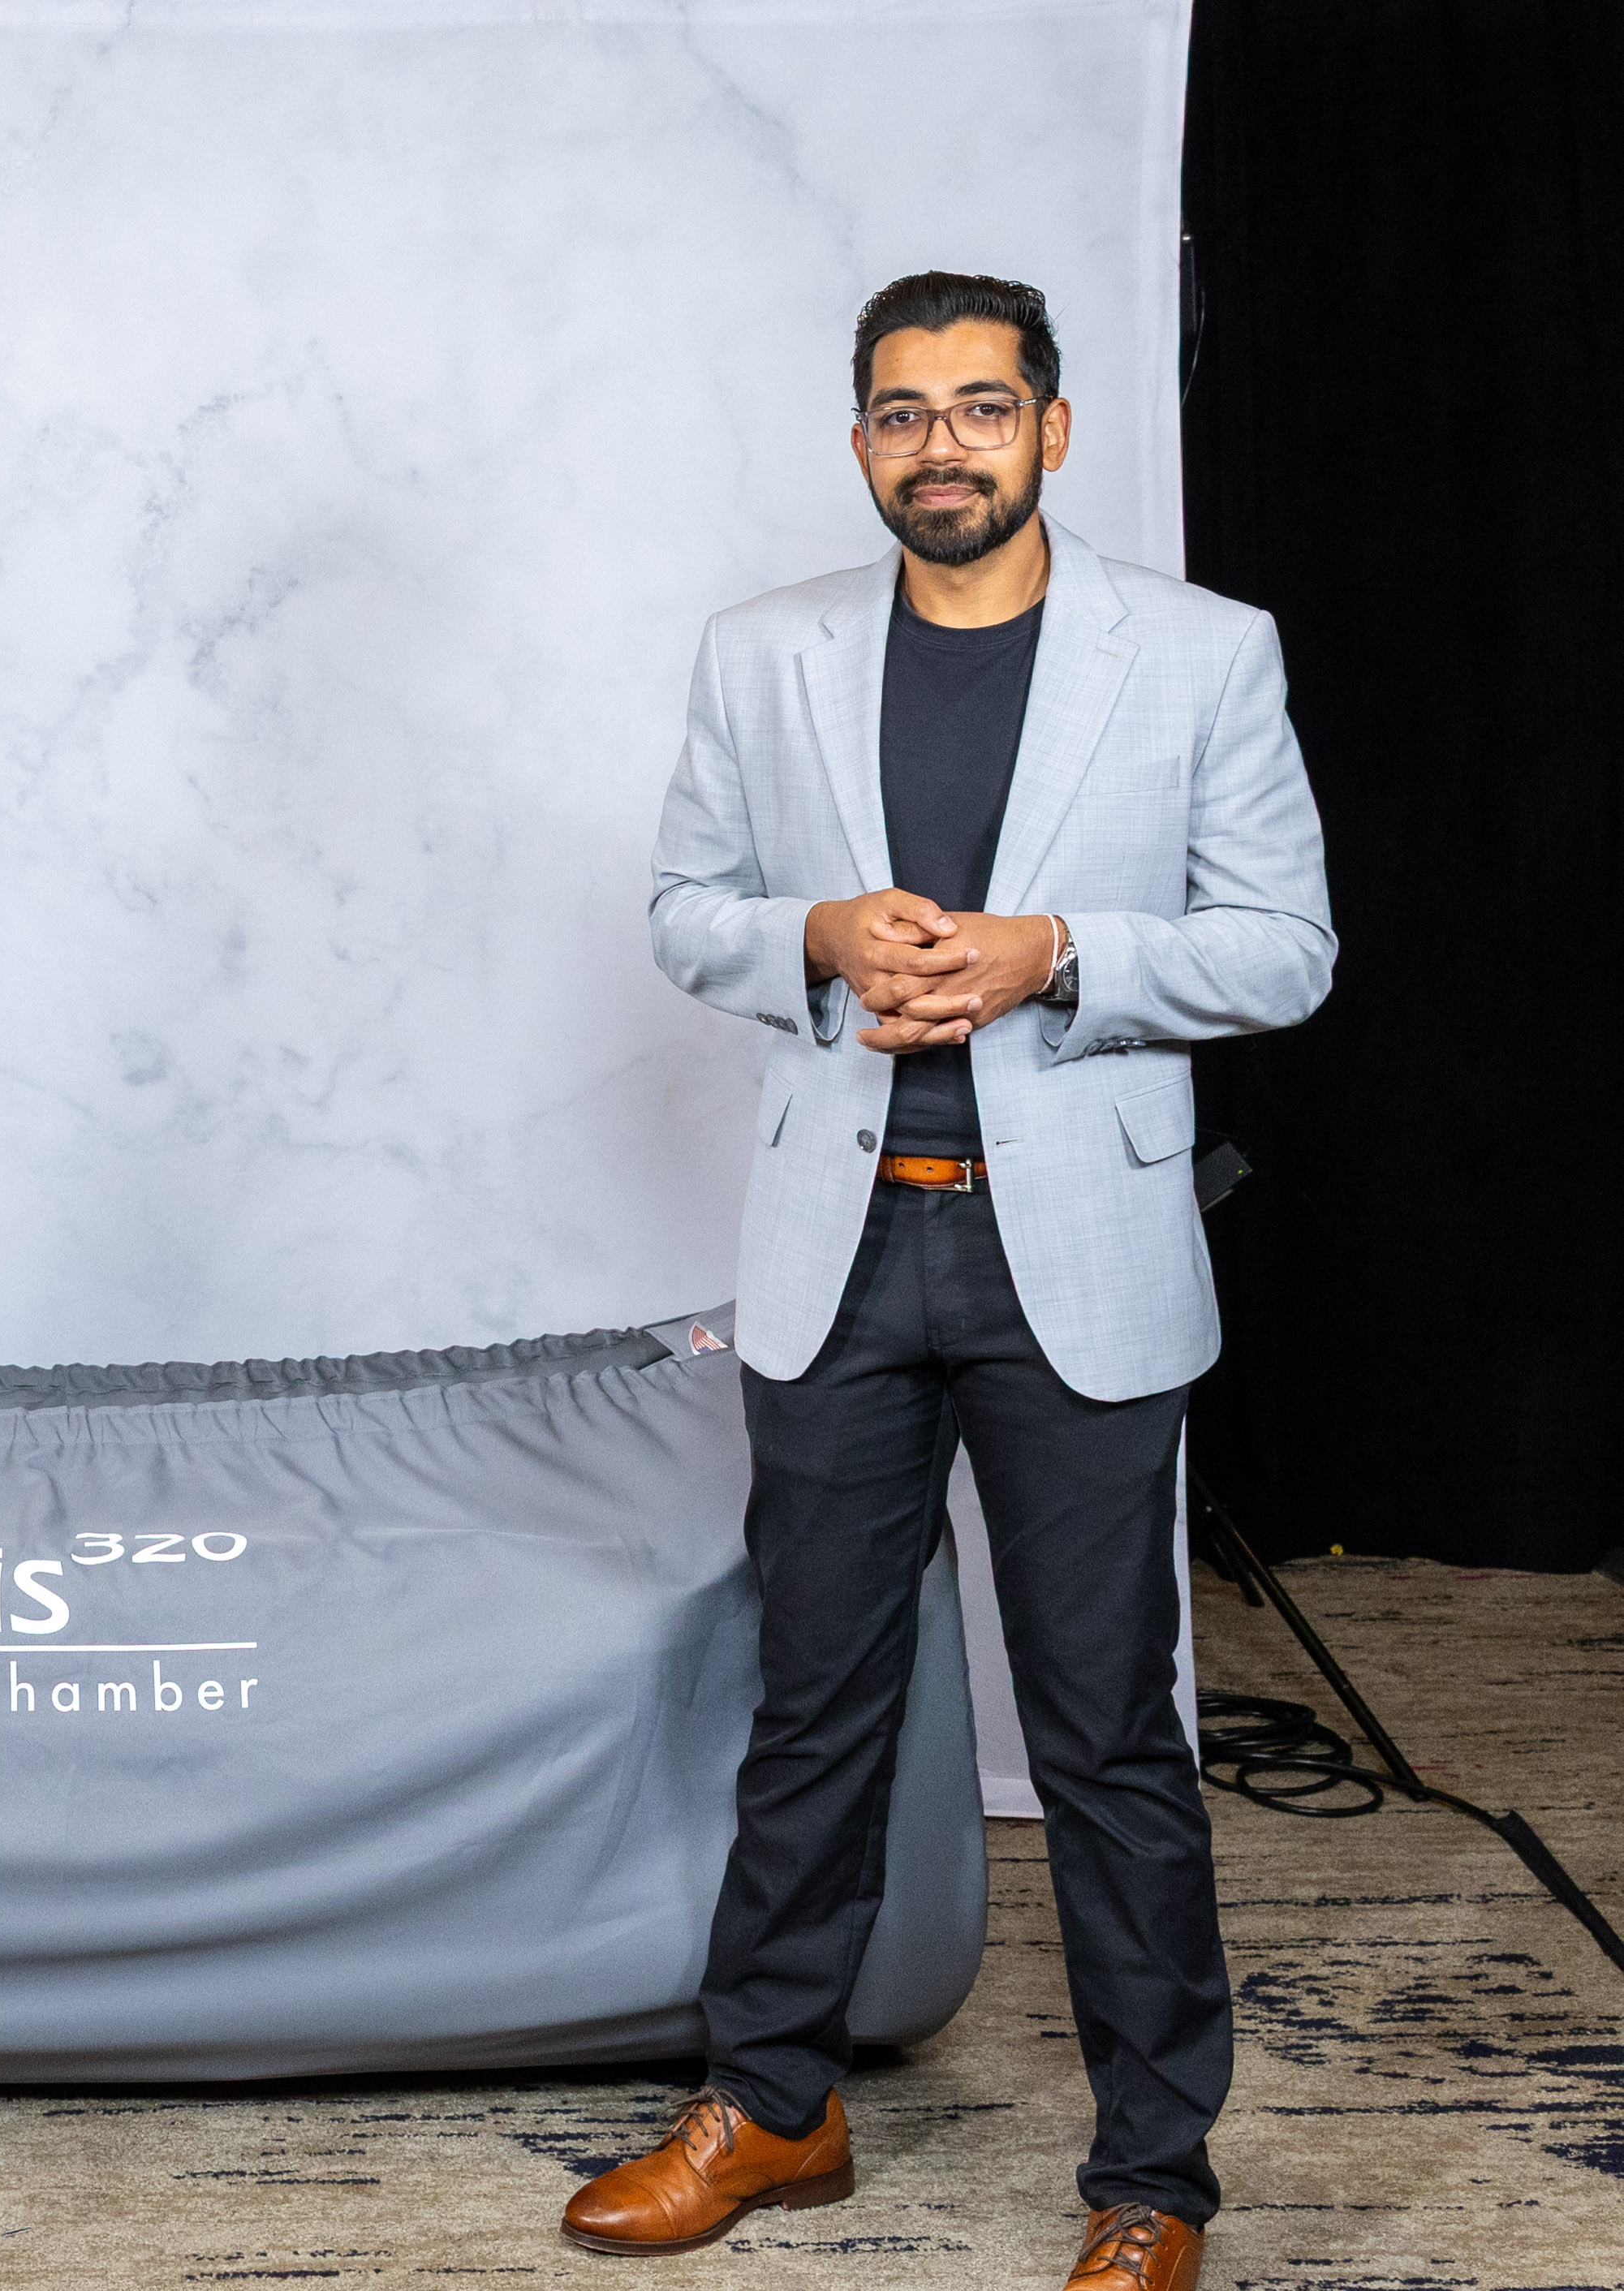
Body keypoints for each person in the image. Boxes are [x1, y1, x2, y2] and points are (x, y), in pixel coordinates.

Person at [569, 274, 1334, 2289]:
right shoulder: (763, 651)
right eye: (902, 413)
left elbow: (1283, 947)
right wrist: (812, 934)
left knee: (1105, 1734)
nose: (941, 445)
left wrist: (1054, 953)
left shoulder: (1201, 651)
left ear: (1050, 431)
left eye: (981, 407)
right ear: (859, 444)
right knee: (812, 1707)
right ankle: (774, 2103)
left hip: (1073, 1254)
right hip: (836, 1250)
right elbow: (682, 910)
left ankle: (1149, 2178)